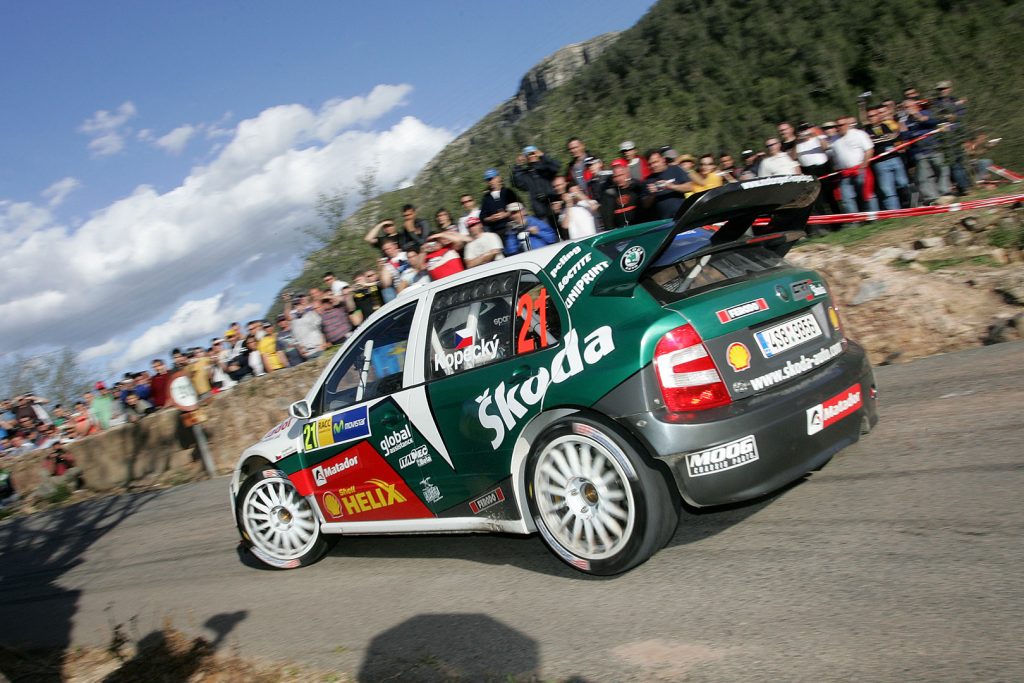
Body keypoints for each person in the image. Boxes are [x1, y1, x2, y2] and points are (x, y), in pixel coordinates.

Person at [902, 99, 948, 205]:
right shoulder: (906, 122)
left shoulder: (926, 113)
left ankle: (944, 192)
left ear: (916, 105)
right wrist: (904, 132)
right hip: (919, 151)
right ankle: (932, 197)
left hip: (933, 147)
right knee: (924, 176)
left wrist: (919, 117)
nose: (907, 109)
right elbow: (907, 137)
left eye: (909, 106)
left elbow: (935, 122)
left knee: (941, 169)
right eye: (905, 107)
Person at [831, 116, 879, 214]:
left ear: (847, 124)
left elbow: (869, 149)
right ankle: (854, 222)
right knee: (846, 198)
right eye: (837, 126)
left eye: (841, 125)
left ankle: (874, 217)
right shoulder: (834, 140)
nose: (839, 127)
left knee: (867, 194)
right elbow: (835, 157)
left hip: (860, 169)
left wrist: (864, 165)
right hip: (845, 173)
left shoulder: (858, 134)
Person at [866, 104, 910, 210]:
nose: (873, 118)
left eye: (876, 115)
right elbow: (872, 142)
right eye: (870, 116)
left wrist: (894, 141)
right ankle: (895, 214)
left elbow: (898, 137)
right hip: (880, 163)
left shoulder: (889, 125)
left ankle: (909, 205)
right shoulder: (866, 131)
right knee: (888, 190)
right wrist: (888, 138)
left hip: (895, 158)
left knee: (903, 183)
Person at [512, 145, 561, 227]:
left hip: (555, 206)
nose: (531, 156)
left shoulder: (546, 168)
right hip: (540, 211)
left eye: (533, 153)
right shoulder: (526, 173)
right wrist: (518, 166)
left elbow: (556, 167)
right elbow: (517, 183)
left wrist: (543, 156)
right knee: (550, 235)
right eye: (528, 155)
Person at [598, 160, 652, 229]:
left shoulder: (638, 187)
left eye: (621, 175)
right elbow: (608, 220)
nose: (618, 179)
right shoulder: (609, 194)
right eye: (615, 176)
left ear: (627, 174)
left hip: (641, 228)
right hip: (621, 232)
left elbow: (647, 206)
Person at [645, 149, 693, 220]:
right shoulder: (648, 180)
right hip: (663, 221)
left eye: (655, 162)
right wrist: (651, 195)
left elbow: (690, 187)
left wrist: (671, 186)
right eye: (650, 164)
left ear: (663, 160)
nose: (653, 166)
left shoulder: (675, 169)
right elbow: (645, 205)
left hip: (682, 216)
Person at [479, 168, 520, 241]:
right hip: (496, 232)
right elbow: (482, 217)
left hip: (513, 226)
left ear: (498, 178)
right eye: (488, 180)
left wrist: (506, 214)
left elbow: (519, 206)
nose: (491, 181)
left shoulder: (508, 192)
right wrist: (491, 218)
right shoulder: (486, 198)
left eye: (492, 178)